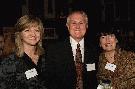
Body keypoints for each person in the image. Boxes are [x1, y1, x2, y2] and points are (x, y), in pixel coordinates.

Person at [42, 10, 98, 89]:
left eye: (81, 23)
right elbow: (49, 80)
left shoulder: (94, 50)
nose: (77, 26)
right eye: (73, 23)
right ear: (68, 26)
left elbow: (94, 79)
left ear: (87, 25)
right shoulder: (53, 50)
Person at [0, 15, 47, 89]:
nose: (33, 34)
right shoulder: (9, 62)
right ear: (20, 35)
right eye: (27, 30)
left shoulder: (48, 57)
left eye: (37, 30)